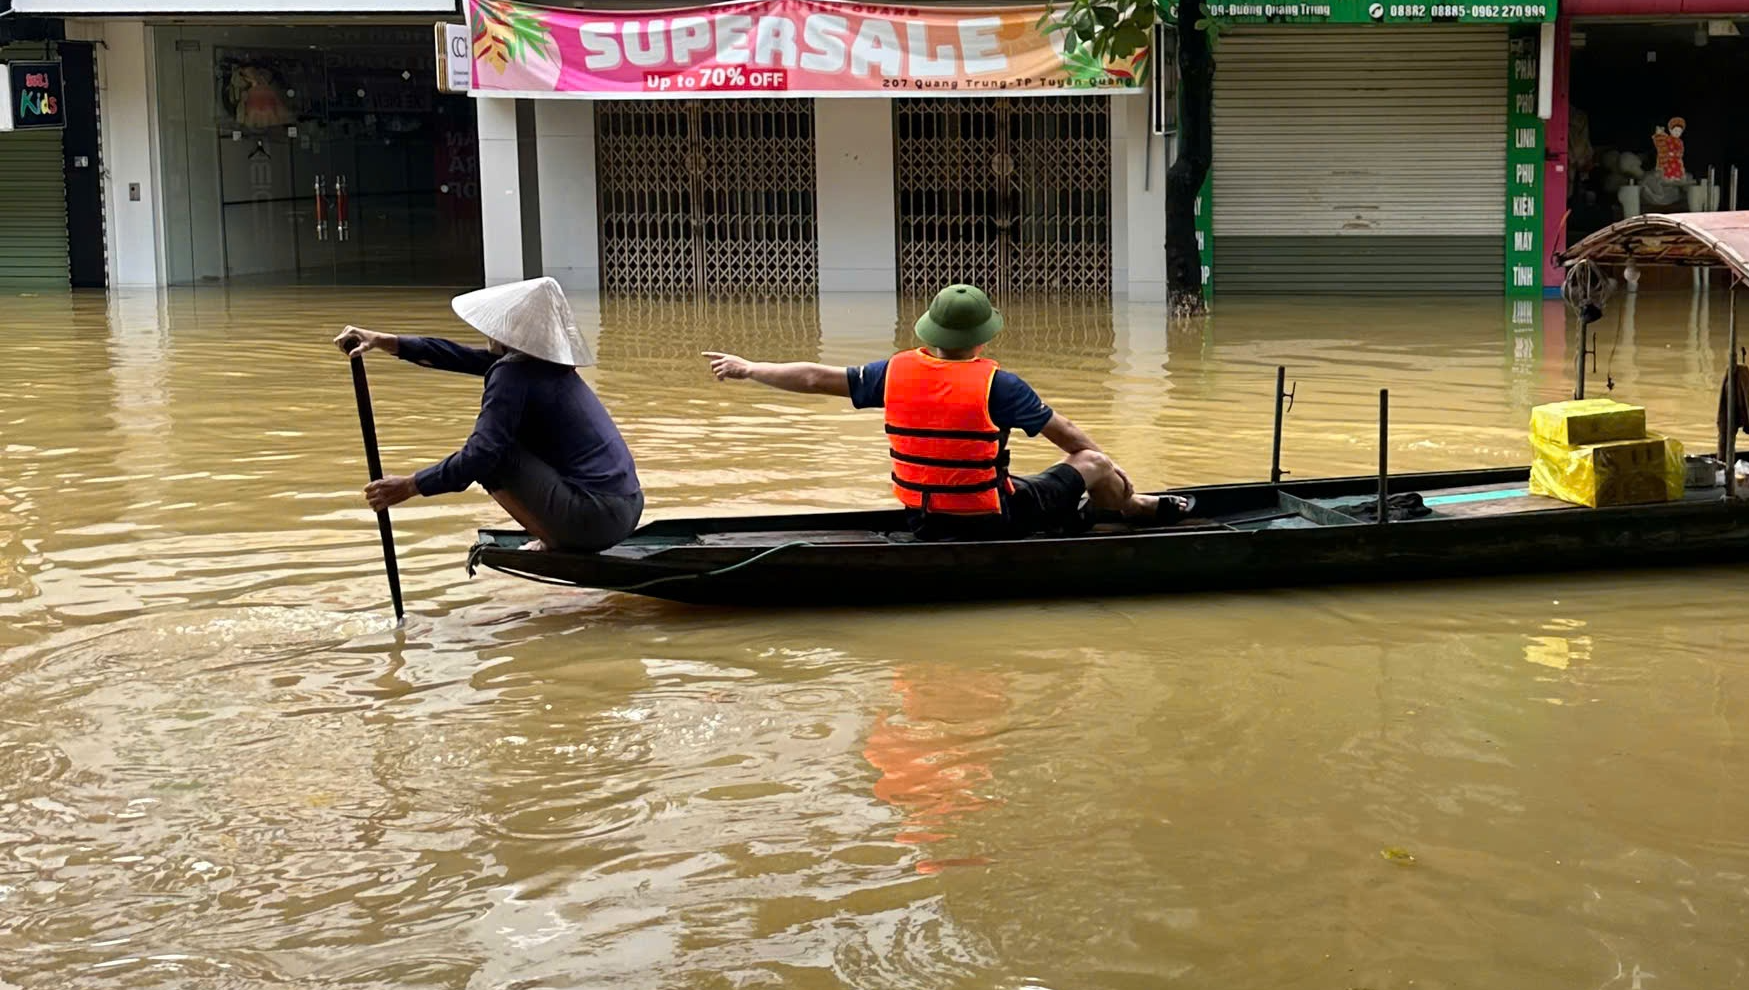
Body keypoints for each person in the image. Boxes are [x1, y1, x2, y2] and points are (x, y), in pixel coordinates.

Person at [702, 282, 1192, 539]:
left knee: (1035, 478)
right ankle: (1132, 507)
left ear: (930, 331)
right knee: (1096, 465)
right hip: (991, 522)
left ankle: (1124, 504)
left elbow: (812, 377)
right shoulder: (1001, 385)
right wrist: (1115, 476)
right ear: (983, 337)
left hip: (923, 517)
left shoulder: (891, 372)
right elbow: (1077, 444)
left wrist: (750, 367)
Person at [335, 277, 644, 553]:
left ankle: (552, 540)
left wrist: (410, 486)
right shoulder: (546, 365)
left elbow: (479, 457)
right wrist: (381, 340)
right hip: (628, 507)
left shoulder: (514, 373)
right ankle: (554, 531)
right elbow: (457, 355)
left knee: (493, 456)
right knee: (501, 445)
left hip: (595, 517)